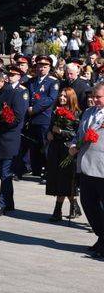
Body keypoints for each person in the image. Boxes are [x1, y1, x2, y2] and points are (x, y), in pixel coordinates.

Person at [0, 70, 29, 217]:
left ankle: (2, 204)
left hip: (8, 138)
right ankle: (9, 203)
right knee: (3, 173)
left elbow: (17, 118)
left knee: (5, 172)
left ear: (3, 81)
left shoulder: (15, 93)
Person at [69, 82, 104, 257]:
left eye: (99, 97)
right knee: (89, 205)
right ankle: (101, 236)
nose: (95, 100)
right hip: (86, 165)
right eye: (93, 97)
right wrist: (74, 144)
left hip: (102, 167)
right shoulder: (88, 112)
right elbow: (80, 134)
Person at [45, 88, 82, 222]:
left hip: (67, 149)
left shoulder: (77, 113)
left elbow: (76, 134)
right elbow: (50, 127)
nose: (61, 98)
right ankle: (74, 206)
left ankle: (58, 210)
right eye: (60, 95)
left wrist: (61, 131)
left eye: (65, 96)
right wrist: (49, 133)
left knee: (65, 180)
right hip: (55, 148)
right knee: (56, 179)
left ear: (71, 98)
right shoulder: (56, 111)